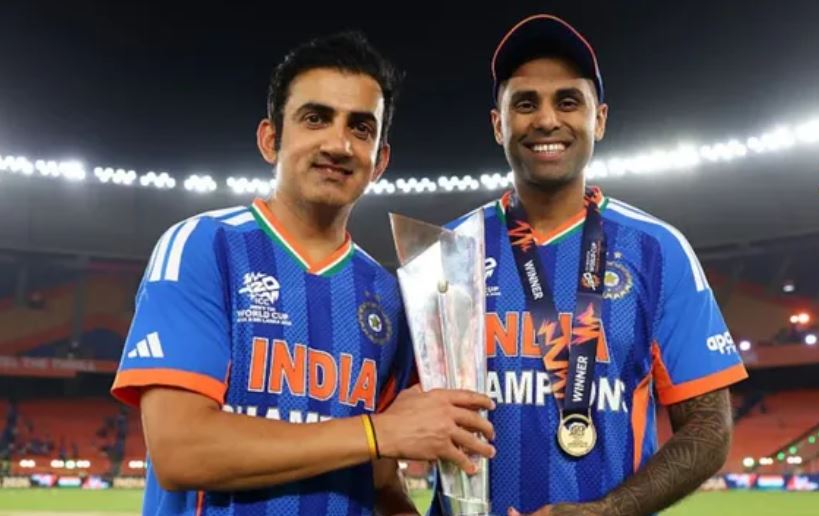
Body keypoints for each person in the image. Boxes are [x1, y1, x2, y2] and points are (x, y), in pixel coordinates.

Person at [111, 31, 494, 515]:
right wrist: (375, 431)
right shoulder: (204, 246)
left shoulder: (389, 295)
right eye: (316, 119)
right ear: (270, 139)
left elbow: (379, 480)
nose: (339, 143)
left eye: (361, 128)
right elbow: (181, 449)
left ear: (380, 161)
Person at [436, 14, 749, 516]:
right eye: (525, 103)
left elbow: (710, 426)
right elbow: (393, 412)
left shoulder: (659, 250)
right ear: (498, 125)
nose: (546, 120)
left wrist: (607, 512)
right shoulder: (446, 250)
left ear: (598, 120)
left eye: (568, 101)